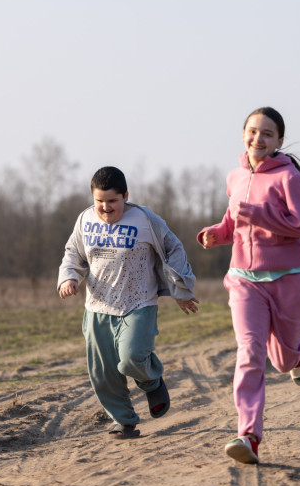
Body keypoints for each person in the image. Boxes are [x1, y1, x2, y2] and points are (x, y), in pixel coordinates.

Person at [198, 107, 300, 464]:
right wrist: (217, 233)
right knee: (250, 350)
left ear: (279, 141)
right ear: (243, 135)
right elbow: (233, 221)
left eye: (267, 133)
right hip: (243, 280)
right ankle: (248, 435)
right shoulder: (235, 177)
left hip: (288, 279)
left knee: (281, 361)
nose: (258, 138)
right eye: (253, 131)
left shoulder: (289, 178)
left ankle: (297, 355)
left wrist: (263, 217)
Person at [58, 166, 200, 439]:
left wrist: (181, 290)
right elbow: (73, 253)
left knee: (132, 357)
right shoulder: (85, 219)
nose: (106, 207)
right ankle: (123, 421)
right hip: (97, 306)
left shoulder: (145, 219)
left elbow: (173, 248)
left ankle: (151, 381)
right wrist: (69, 278)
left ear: (125, 196)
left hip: (138, 304)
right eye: (99, 201)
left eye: (112, 200)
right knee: (103, 372)